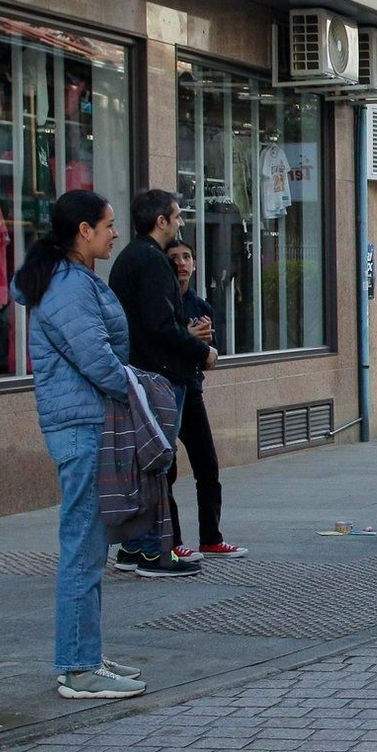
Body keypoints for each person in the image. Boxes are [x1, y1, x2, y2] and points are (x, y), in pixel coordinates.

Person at [12, 191, 147, 698]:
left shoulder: (70, 279)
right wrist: (134, 389)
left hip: (86, 425)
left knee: (88, 550)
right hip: (84, 427)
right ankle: (77, 666)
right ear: (84, 231)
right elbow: (95, 355)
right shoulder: (68, 285)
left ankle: (84, 653)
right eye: (109, 225)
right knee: (82, 551)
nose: (115, 233)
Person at [106, 190, 212, 577]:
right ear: (160, 221)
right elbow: (160, 325)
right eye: (177, 216)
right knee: (156, 464)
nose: (181, 222)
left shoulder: (136, 258)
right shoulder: (149, 260)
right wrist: (201, 352)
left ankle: (136, 547)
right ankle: (152, 550)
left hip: (147, 373)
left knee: (147, 463)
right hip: (158, 377)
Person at [162, 240, 244, 561]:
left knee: (207, 466)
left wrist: (205, 349)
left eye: (186, 257)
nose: (181, 263)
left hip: (192, 392)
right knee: (165, 470)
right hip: (166, 391)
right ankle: (173, 542)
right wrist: (187, 337)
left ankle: (211, 537)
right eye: (174, 258)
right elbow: (158, 342)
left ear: (195, 263)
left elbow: (210, 357)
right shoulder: (162, 303)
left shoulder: (202, 306)